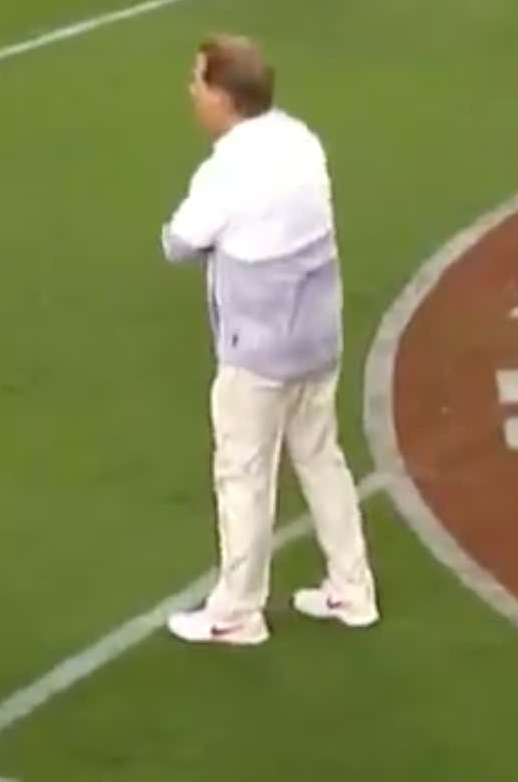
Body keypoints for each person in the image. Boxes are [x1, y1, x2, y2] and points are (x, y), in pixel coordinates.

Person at [161, 35, 379, 646]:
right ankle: (352, 587)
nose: (191, 92)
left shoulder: (226, 169)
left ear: (225, 98)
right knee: (321, 457)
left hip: (257, 348)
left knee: (244, 475)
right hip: (317, 336)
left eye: (198, 82)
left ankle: (237, 611)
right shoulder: (300, 139)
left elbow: (179, 242)